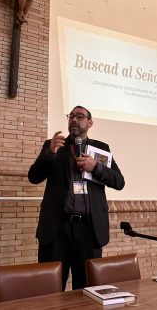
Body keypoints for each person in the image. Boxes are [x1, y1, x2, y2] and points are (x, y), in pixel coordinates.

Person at [28, 106, 125, 290]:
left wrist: (96, 167)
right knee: (50, 289)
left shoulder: (101, 149)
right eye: (71, 116)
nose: (74, 119)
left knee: (87, 290)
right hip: (56, 230)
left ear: (89, 123)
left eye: (79, 116)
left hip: (88, 230)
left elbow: (119, 182)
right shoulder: (54, 145)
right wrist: (48, 154)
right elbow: (33, 177)